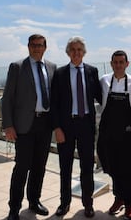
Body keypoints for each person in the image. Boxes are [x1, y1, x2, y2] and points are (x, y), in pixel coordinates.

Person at [2, 34, 57, 220]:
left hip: (45, 123)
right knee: (22, 167)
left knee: (39, 166)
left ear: (45, 47)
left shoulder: (51, 67)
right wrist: (8, 125)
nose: (36, 48)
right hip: (24, 125)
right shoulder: (17, 67)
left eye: (40, 45)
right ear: (28, 47)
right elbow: (7, 98)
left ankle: (34, 201)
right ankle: (14, 208)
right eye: (33, 45)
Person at [51, 36, 102, 218]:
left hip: (86, 125)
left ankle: (88, 204)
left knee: (87, 167)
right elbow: (54, 103)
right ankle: (64, 203)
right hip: (66, 126)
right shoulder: (59, 73)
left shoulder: (92, 71)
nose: (76, 53)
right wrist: (57, 128)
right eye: (72, 49)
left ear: (84, 52)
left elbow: (100, 95)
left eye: (79, 49)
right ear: (67, 53)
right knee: (65, 167)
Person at [97, 50, 131, 220]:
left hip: (127, 133)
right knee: (112, 167)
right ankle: (118, 199)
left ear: (127, 64)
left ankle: (130, 204)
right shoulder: (103, 80)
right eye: (115, 62)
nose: (118, 65)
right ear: (111, 64)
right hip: (108, 132)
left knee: (128, 169)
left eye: (121, 62)